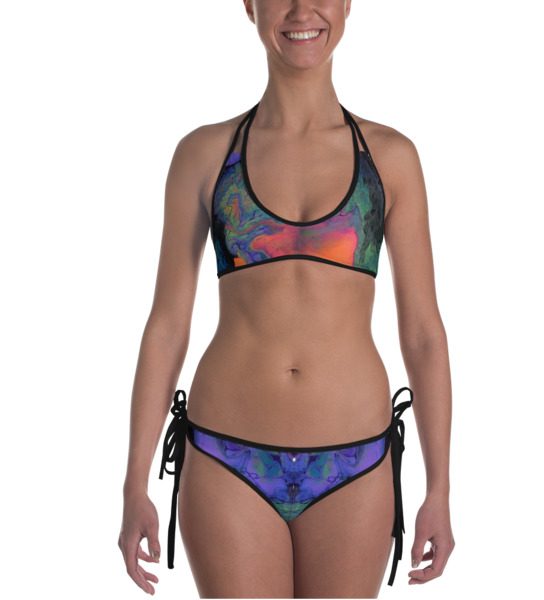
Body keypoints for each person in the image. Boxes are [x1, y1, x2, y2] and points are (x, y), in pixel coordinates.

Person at [118, 0, 455, 597]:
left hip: (354, 464)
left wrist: (440, 490)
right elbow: (167, 326)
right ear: (250, 5)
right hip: (226, 459)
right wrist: (133, 483)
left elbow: (423, 334)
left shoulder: (390, 158)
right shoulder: (204, 154)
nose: (303, 10)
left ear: (347, 4)